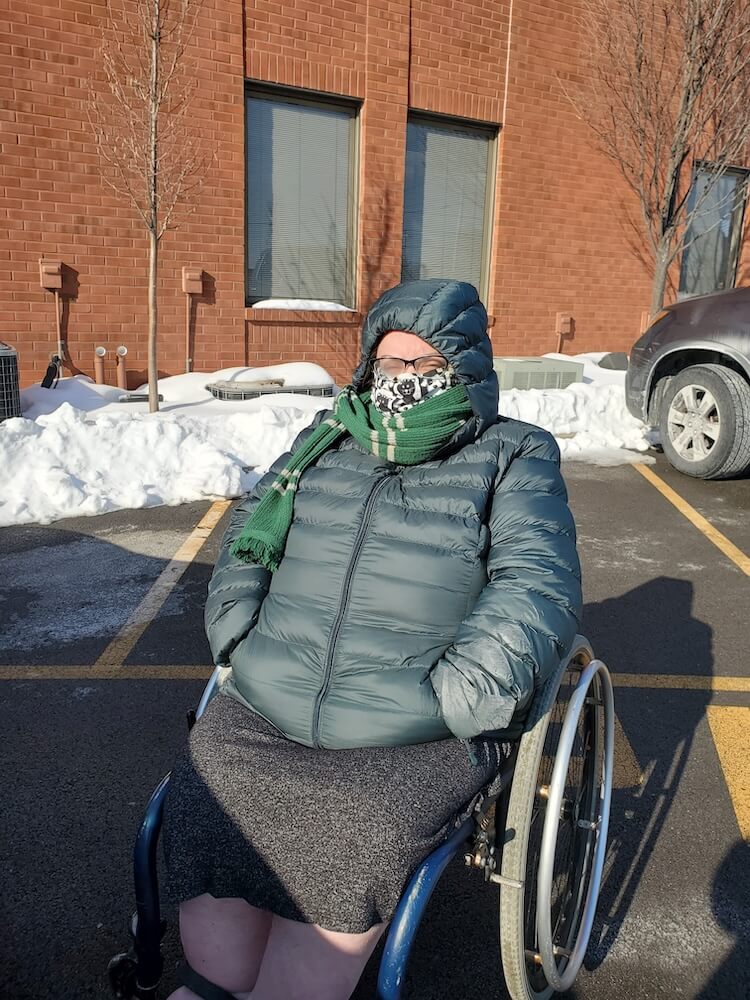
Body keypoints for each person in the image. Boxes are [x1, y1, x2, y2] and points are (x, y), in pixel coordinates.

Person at [162, 279, 582, 1000]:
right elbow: (246, 545)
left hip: (412, 734)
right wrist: (240, 639)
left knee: (351, 829)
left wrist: (450, 698)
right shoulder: (322, 442)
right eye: (392, 366)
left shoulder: (512, 454)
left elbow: (535, 586)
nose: (406, 382)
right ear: (367, 368)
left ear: (466, 366)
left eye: (426, 366)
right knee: (206, 804)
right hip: (270, 703)